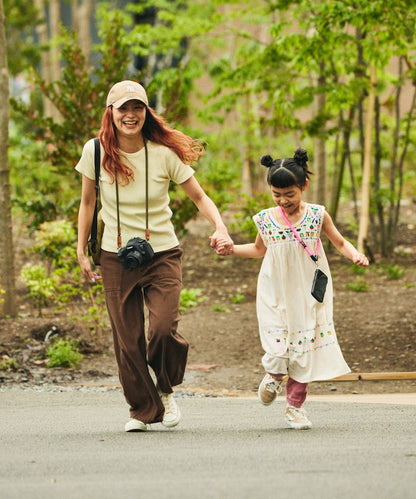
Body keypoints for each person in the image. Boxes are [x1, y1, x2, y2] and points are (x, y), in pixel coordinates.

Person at [75, 80, 232, 432]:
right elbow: (87, 203)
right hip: (116, 257)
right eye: (123, 109)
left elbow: (199, 197)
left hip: (161, 251)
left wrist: (220, 226)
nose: (130, 115)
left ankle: (165, 387)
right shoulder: (96, 151)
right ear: (110, 113)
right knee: (127, 340)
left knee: (162, 329)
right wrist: (82, 249)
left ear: (146, 112)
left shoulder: (163, 153)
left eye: (137, 108)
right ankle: (142, 410)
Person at [217, 147, 369, 429]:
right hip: (274, 290)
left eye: (290, 194)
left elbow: (339, 242)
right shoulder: (265, 219)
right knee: (277, 343)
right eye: (277, 195)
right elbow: (258, 249)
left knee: (303, 349)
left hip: (309, 293)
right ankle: (274, 375)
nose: (283, 200)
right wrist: (232, 249)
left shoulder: (317, 215)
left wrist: (355, 255)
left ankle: (294, 408)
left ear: (304, 186)